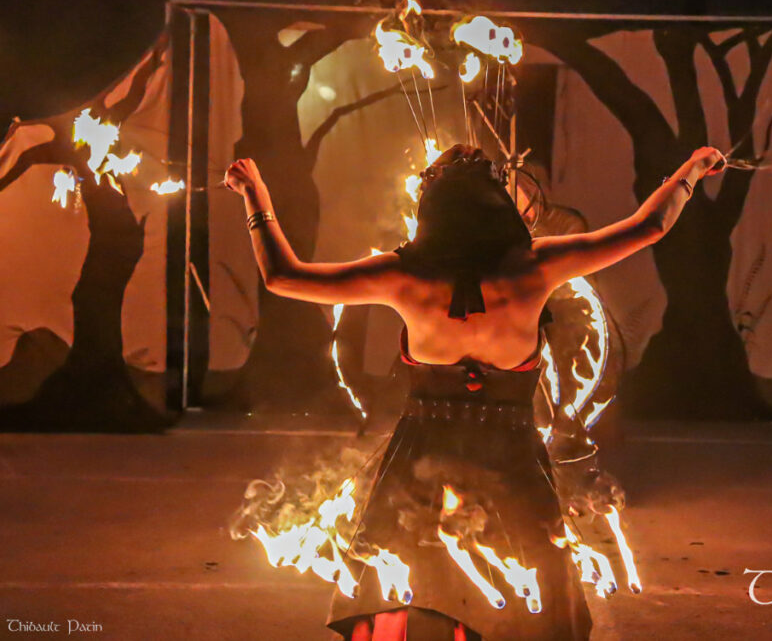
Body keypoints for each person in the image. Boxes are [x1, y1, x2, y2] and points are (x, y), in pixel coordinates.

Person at [224, 144, 725, 641]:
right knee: (525, 590)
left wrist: (256, 196)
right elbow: (649, 227)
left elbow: (282, 276)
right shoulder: (537, 266)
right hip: (511, 463)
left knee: (420, 586)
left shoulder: (402, 274)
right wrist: (692, 170)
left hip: (419, 462)